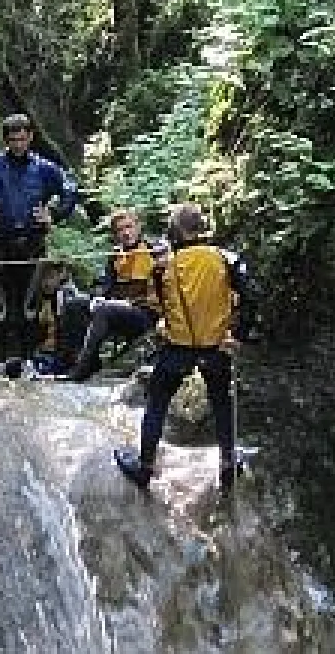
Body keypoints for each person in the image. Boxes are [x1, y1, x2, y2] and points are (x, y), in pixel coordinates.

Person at [114, 203, 257, 494]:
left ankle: (145, 467)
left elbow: (159, 303)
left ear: (176, 232)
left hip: (178, 348)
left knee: (156, 403)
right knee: (222, 403)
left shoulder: (166, 265)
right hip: (216, 346)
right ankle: (228, 464)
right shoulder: (225, 258)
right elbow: (251, 297)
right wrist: (238, 333)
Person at [0, 113, 78, 362]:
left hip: (31, 245)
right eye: (12, 139)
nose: (18, 144)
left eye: (22, 138)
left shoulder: (44, 168)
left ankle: (28, 363)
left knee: (30, 307)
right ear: (5, 140)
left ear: (30, 137)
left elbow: (70, 190)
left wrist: (54, 213)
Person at [65, 208, 162, 381]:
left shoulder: (154, 251)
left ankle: (80, 370)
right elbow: (107, 289)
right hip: (118, 309)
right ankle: (76, 362)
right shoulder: (115, 256)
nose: (125, 233)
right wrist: (98, 298)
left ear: (138, 227)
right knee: (75, 305)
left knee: (105, 309)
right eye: (120, 229)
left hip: (146, 313)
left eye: (129, 227)